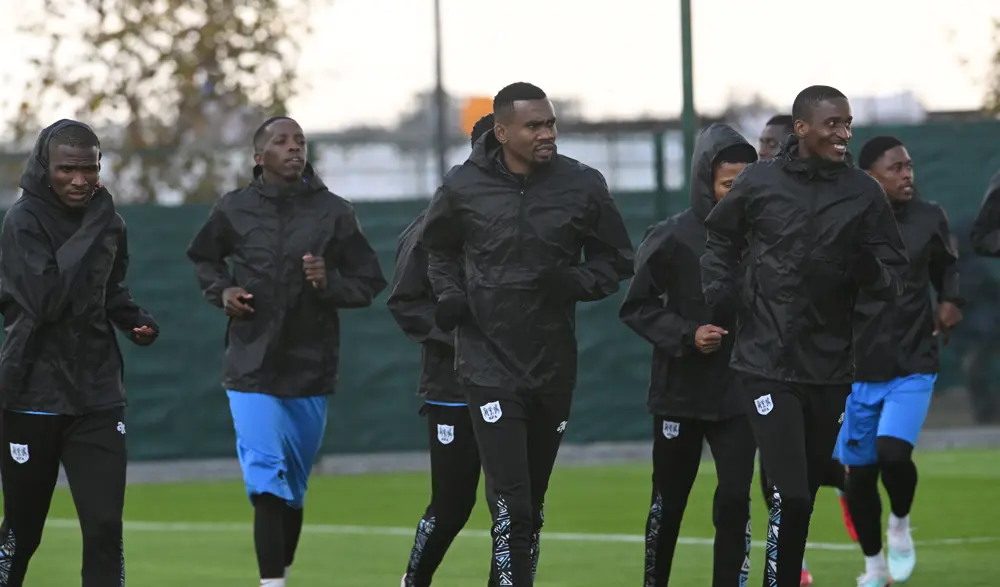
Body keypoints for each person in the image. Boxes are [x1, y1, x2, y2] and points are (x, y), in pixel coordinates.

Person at [419, 82, 634, 586]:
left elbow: (617, 260)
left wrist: (573, 281)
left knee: (531, 507)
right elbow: (438, 251)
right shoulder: (462, 185)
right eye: (533, 125)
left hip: (552, 366)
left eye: (550, 123)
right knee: (511, 504)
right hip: (486, 364)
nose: (546, 133)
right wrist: (449, 296)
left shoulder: (583, 184)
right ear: (502, 132)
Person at [700, 85, 909, 587]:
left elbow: (893, 278)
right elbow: (720, 238)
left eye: (847, 123)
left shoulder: (863, 192)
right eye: (833, 123)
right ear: (801, 128)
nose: (844, 133)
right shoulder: (759, 181)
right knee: (790, 494)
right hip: (764, 363)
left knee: (804, 496)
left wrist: (865, 264)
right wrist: (722, 294)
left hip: (830, 368)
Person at [186, 116, 387, 587]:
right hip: (249, 365)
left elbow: (369, 282)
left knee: (292, 491)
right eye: (281, 141)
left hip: (310, 368)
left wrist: (328, 282)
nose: (294, 147)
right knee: (266, 478)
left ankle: (282, 574)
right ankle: (271, 583)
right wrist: (223, 292)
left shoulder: (334, 212)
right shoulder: (233, 208)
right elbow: (204, 258)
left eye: (300, 141)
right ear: (260, 158)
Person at [0, 119, 159, 587]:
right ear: (44, 167)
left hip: (98, 394)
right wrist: (94, 224)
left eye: (89, 169)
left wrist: (133, 319)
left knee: (106, 526)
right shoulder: (23, 221)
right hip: (31, 394)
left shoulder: (109, 224)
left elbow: (108, 289)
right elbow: (46, 301)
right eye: (67, 169)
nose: (79, 180)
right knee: (23, 531)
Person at [619, 123, 757, 587]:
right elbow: (636, 308)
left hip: (739, 393)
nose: (738, 194)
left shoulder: (766, 237)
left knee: (736, 498)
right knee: (669, 502)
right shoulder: (672, 236)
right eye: (728, 184)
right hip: (679, 393)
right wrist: (688, 334)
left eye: (747, 183)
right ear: (705, 182)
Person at [838, 136, 963, 587]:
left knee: (893, 453)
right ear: (870, 177)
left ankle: (900, 523)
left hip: (913, 360)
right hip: (855, 371)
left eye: (908, 166)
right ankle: (874, 568)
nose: (907, 174)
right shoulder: (847, 224)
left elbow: (946, 266)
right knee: (859, 477)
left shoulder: (930, 217)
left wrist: (949, 300)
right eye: (895, 168)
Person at [389, 113, 497, 587]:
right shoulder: (435, 220)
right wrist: (462, 337)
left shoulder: (533, 218)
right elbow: (405, 303)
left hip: (520, 381)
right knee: (452, 504)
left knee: (518, 505)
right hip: (454, 386)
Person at [757, 113, 858, 587]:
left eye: (771, 143)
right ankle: (788, 570)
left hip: (816, 364)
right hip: (758, 363)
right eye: (761, 142)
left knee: (797, 481)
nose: (763, 151)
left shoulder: (837, 200)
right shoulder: (751, 198)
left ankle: (845, 482)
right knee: (774, 479)